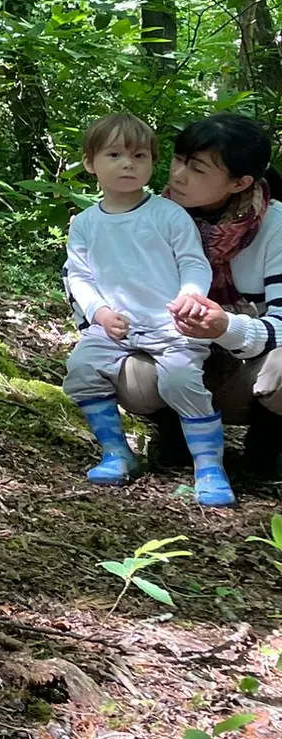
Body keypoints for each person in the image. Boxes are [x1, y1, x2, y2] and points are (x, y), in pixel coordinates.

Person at [59, 113, 228, 505]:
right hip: (115, 327)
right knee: (82, 370)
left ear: (153, 164)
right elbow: (79, 276)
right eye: (114, 154)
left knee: (181, 383)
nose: (128, 164)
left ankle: (209, 466)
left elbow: (193, 261)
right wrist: (98, 313)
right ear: (90, 164)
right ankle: (116, 452)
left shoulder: (168, 214)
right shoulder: (85, 223)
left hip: (173, 325)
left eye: (139, 156)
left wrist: (191, 295)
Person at [115, 112, 282, 480]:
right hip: (171, 352)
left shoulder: (276, 227)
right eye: (178, 159)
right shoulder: (147, 215)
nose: (177, 175)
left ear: (239, 183)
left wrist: (225, 327)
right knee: (124, 373)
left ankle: (266, 449)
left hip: (246, 371)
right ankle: (175, 437)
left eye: (198, 168)